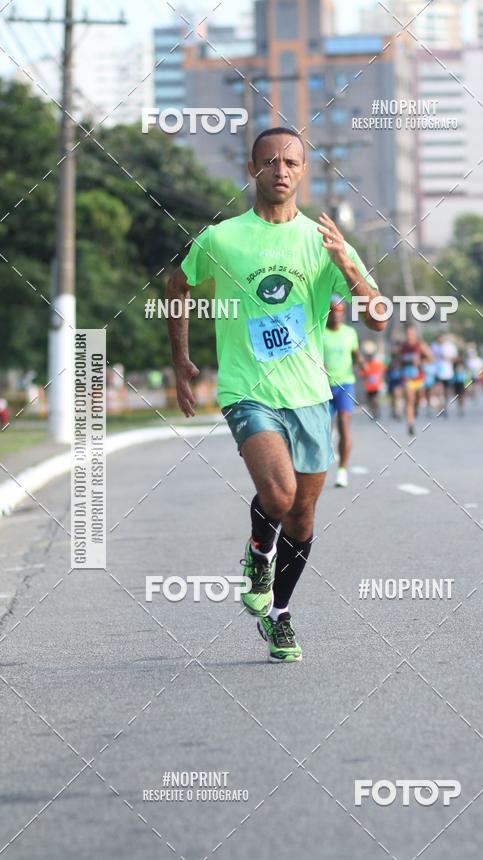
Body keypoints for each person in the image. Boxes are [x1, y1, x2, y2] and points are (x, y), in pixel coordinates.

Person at [165, 127, 386, 663]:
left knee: (304, 519)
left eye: (291, 162)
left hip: (310, 394)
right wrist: (181, 359)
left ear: (303, 171)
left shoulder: (324, 240)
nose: (280, 171)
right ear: (252, 170)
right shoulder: (221, 239)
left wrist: (348, 266)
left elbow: (377, 318)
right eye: (270, 162)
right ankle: (258, 550)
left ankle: (280, 615)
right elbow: (177, 284)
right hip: (247, 391)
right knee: (280, 495)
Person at [323, 298, 362, 487]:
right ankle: (319, 470)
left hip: (345, 384)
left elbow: (355, 354)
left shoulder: (350, 333)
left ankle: (342, 471)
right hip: (323, 387)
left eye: (340, 310)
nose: (337, 314)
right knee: (324, 430)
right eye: (333, 310)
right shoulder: (319, 332)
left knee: (345, 425)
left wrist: (361, 362)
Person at [398, 324, 434, 436]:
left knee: (417, 399)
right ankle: (410, 425)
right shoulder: (403, 347)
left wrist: (420, 362)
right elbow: (399, 361)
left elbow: (431, 358)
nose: (409, 336)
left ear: (415, 334)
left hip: (419, 378)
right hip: (407, 378)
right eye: (408, 333)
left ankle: (416, 408)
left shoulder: (420, 345)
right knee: (410, 400)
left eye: (411, 333)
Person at [358, 341, 386, 420]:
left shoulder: (377, 364)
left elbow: (382, 372)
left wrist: (381, 380)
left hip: (376, 386)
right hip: (368, 387)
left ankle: (376, 412)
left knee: (374, 399)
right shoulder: (365, 365)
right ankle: (374, 412)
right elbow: (362, 375)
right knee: (370, 402)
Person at [432, 333, 457, 415]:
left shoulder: (450, 346)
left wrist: (447, 357)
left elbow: (455, 358)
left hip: (447, 372)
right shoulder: (434, 346)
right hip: (437, 371)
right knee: (438, 389)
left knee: (446, 390)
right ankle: (440, 406)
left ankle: (445, 407)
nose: (440, 340)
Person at [386, 339, 405, 420]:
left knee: (397, 394)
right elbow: (386, 369)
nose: (395, 349)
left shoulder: (402, 357)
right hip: (391, 379)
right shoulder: (390, 357)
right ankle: (394, 410)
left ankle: (398, 412)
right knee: (392, 396)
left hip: (399, 379)